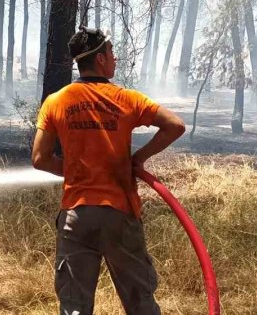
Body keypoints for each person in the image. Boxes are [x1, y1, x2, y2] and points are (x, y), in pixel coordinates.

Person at [32, 26, 186, 315]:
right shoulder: (127, 99)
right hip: (120, 214)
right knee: (141, 305)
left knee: (74, 308)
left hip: (76, 217)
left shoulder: (56, 101)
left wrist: (77, 171)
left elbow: (39, 158)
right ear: (101, 59)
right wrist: (138, 159)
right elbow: (175, 125)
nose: (115, 59)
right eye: (112, 52)